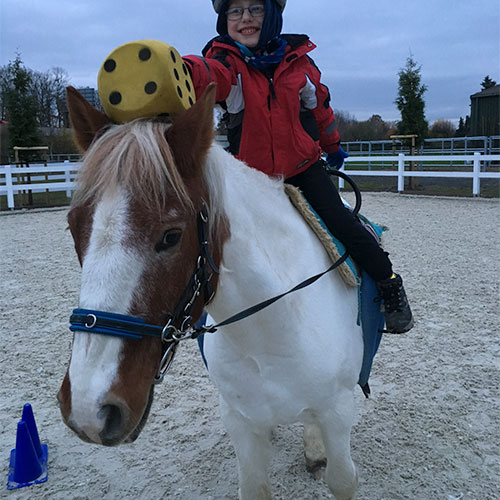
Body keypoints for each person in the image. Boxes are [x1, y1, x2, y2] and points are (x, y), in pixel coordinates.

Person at [183, 0, 413, 333]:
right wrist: (177, 69)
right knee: (204, 232)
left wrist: (332, 147)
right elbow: (205, 74)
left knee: (341, 223)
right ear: (224, 20)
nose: (245, 18)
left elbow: (320, 109)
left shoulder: (300, 64)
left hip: (303, 166)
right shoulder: (227, 65)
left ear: (273, 15)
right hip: (251, 174)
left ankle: (389, 283)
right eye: (235, 11)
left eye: (255, 9)